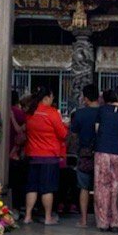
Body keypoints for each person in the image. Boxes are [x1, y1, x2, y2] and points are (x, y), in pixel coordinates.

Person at [23, 89, 69, 227]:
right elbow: (63, 134)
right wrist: (65, 125)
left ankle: (27, 216)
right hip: (49, 156)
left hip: (32, 155)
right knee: (47, 188)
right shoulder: (51, 113)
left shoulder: (30, 112)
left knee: (32, 187)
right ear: (47, 97)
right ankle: (48, 217)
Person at [93, 89, 118, 232]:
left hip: (102, 151)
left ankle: (103, 222)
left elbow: (97, 129)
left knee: (101, 187)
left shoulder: (102, 110)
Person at [69, 85, 101, 229]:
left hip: (84, 153)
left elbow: (73, 134)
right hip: (101, 153)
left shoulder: (80, 114)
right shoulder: (104, 112)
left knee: (84, 187)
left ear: (86, 99)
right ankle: (101, 219)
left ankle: (83, 220)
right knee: (101, 187)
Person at [9, 91, 28, 215]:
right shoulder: (19, 113)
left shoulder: (5, 110)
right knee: (17, 182)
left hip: (6, 152)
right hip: (15, 153)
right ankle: (16, 207)